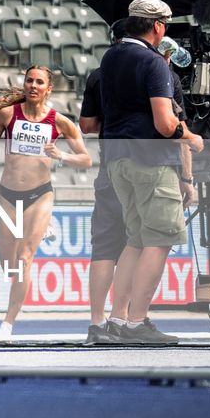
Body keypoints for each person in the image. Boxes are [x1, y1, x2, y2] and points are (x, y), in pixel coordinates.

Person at [99, 0, 204, 345]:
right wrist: (190, 137)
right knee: (159, 240)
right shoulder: (154, 63)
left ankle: (117, 319)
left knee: (135, 239)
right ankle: (137, 322)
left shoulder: (110, 57)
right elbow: (164, 124)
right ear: (158, 26)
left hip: (117, 159)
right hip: (151, 161)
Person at [0, 66, 93, 339]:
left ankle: (7, 324)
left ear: (48, 89)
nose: (32, 85)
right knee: (8, 264)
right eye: (29, 80)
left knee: (24, 259)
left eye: (39, 82)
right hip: (8, 195)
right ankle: (42, 228)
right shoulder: (8, 114)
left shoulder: (59, 122)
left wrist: (61, 156)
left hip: (40, 194)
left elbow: (86, 159)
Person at [79, 48, 131, 345]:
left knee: (104, 247)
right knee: (134, 244)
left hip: (109, 166)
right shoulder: (154, 70)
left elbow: (87, 125)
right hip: (144, 166)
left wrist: (111, 119)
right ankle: (121, 318)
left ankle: (97, 321)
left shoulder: (100, 75)